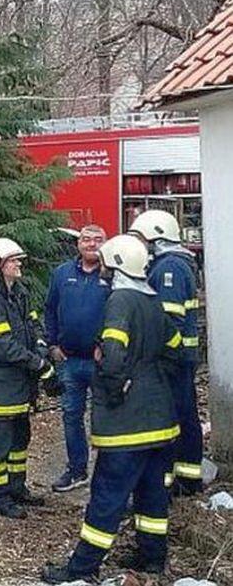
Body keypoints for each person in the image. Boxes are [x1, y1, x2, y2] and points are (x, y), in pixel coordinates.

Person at [42, 234, 182, 583]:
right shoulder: (152, 300)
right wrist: (147, 373)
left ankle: (82, 568)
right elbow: (176, 348)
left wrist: (113, 387)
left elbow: (113, 357)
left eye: (106, 260)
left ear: (117, 263)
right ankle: (152, 558)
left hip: (128, 426)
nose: (100, 265)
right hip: (161, 421)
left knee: (107, 495)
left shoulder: (120, 300)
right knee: (152, 494)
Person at [0, 238, 63, 520]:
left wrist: (42, 350)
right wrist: (38, 364)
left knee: (20, 440)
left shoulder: (18, 292)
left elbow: (33, 326)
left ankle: (16, 488)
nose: (19, 263)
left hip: (20, 386)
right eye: (13, 260)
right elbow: (0, 344)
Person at [129, 209, 203, 496]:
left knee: (176, 417)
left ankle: (179, 481)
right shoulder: (176, 264)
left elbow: (167, 321)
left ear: (157, 238)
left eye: (143, 238)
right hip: (181, 358)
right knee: (184, 414)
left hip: (173, 359)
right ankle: (187, 476)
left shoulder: (168, 268)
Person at [44, 225, 110, 492]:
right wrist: (52, 344)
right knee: (71, 416)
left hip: (100, 362)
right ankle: (76, 470)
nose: (91, 244)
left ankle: (107, 475)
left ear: (105, 244)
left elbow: (121, 313)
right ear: (78, 244)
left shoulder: (112, 275)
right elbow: (50, 309)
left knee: (104, 418)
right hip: (69, 361)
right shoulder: (62, 274)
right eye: (86, 239)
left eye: (97, 240)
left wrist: (106, 345)